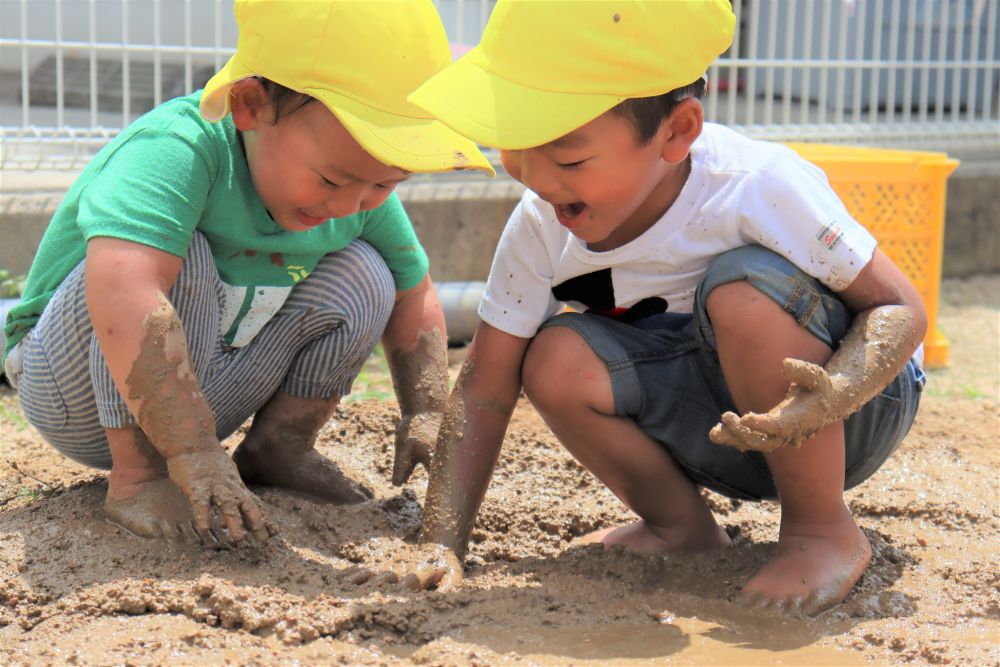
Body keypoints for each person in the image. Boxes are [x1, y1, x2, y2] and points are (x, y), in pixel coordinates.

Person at [398, 0, 927, 616]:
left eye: (568, 158)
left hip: (846, 412)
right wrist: (441, 542)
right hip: (714, 435)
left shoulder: (756, 185)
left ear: (676, 131)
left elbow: (900, 308)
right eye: (515, 147)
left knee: (744, 292)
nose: (535, 178)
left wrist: (827, 396)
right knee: (554, 356)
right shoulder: (541, 223)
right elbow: (484, 388)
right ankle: (682, 529)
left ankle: (821, 530)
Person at [1, 0, 493, 548]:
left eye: (384, 184)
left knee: (370, 273)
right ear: (251, 105)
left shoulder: (354, 188)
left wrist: (425, 412)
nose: (354, 203)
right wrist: (192, 451)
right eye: (332, 180)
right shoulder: (180, 147)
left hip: (200, 388)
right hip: (71, 388)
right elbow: (124, 290)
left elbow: (412, 291)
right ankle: (139, 474)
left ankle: (279, 448)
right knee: (175, 258)